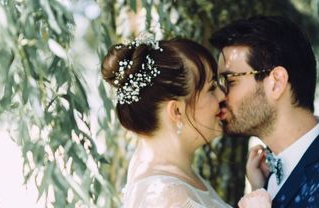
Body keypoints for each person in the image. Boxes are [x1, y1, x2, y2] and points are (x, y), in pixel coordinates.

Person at [210, 16, 319, 208]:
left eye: (229, 81)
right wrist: (260, 189)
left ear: (276, 82)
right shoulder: (266, 174)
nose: (219, 96)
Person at [101, 37, 271, 208]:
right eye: (211, 88)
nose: (222, 95)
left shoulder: (175, 175)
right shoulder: (165, 197)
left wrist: (258, 188)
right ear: (176, 111)